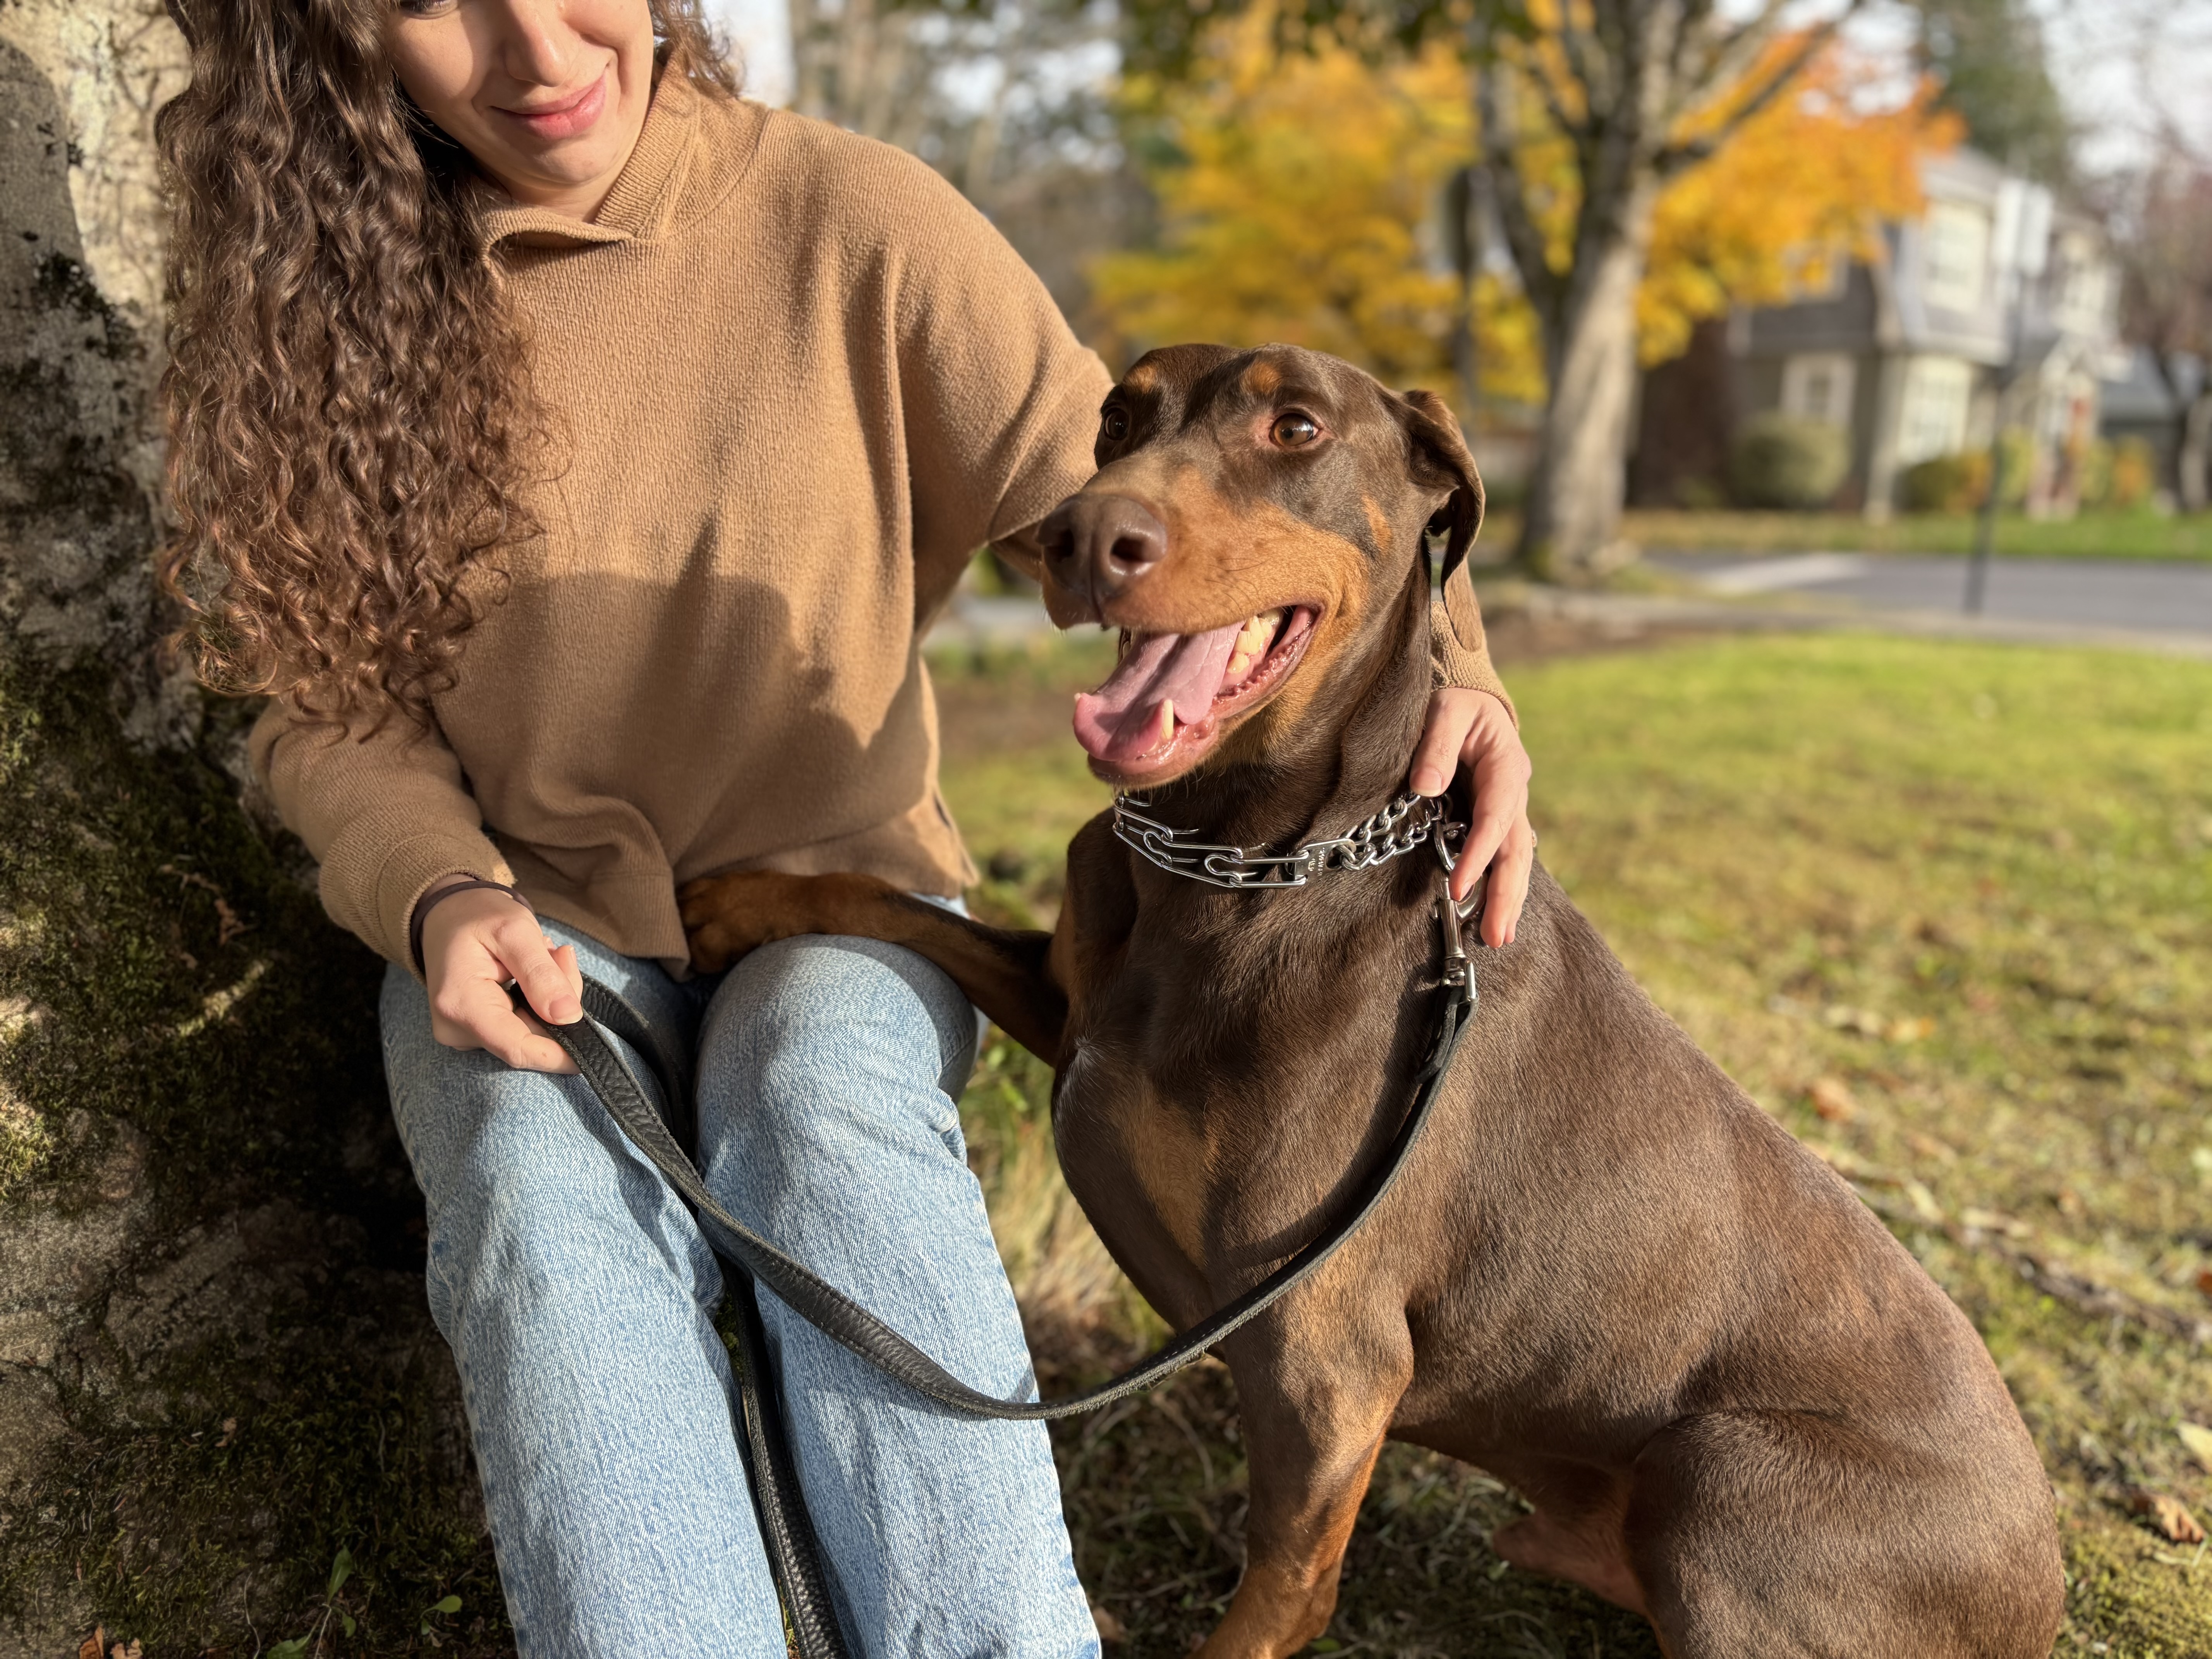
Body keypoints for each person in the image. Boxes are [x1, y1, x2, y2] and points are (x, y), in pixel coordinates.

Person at [156, 0, 1539, 1652]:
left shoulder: (854, 220)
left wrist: (1469, 677)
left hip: (840, 903)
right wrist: (439, 894)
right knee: (531, 1188)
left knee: (822, 1094)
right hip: (508, 918)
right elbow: (325, 709)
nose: (535, 44)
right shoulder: (314, 312)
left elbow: (1170, 522)